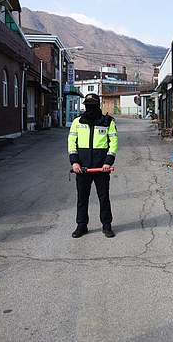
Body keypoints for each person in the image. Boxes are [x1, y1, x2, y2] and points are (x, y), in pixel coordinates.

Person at [68, 93, 118, 238]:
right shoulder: (77, 122)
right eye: (87, 105)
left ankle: (107, 225)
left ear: (98, 105)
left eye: (92, 105)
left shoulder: (108, 122)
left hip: (101, 168)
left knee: (104, 198)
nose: (89, 108)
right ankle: (81, 225)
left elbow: (113, 143)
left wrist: (108, 162)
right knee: (82, 199)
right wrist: (75, 161)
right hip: (82, 169)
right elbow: (71, 143)